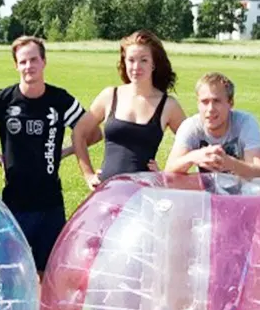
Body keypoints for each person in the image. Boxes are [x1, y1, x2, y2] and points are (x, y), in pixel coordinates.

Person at [0, 36, 94, 276]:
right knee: (11, 271)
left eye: (33, 60)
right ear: (16, 66)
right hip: (14, 202)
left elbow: (93, 132)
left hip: (49, 203)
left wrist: (63, 153)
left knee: (48, 271)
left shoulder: (60, 100)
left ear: (44, 62)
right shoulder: (3, 99)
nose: (28, 66)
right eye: (23, 62)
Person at [72, 30, 187, 190]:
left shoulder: (168, 105)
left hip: (144, 196)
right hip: (106, 193)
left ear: (153, 64)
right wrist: (88, 175)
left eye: (144, 60)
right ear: (124, 62)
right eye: (131, 60)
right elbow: (79, 133)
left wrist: (167, 174)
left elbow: (192, 142)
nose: (136, 67)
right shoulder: (109, 96)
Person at [165, 72, 260, 178]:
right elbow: (168, 173)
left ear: (230, 103)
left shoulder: (245, 123)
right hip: (206, 191)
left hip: (239, 191)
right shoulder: (191, 126)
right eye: (205, 102)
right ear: (198, 104)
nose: (210, 109)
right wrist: (194, 156)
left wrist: (229, 163)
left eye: (217, 101)